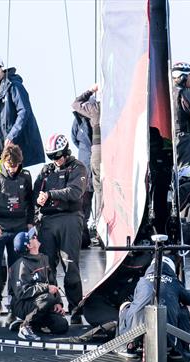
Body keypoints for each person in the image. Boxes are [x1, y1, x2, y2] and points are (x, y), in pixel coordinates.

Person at [32, 133, 87, 324]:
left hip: (70, 219)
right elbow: (35, 193)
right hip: (47, 221)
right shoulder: (46, 171)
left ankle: (76, 309)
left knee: (70, 264)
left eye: (57, 155)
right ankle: (54, 306)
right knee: (48, 266)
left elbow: (75, 192)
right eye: (51, 156)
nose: (55, 160)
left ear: (65, 152)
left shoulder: (77, 167)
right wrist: (38, 202)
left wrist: (49, 194)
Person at [0, 143, 34, 319]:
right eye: (10, 166)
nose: (13, 169)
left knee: (16, 268)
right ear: (4, 162)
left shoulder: (25, 176)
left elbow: (30, 202)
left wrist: (30, 223)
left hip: (18, 227)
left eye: (16, 166)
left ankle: (14, 304)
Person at [118, 256, 190, 359]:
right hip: (167, 331)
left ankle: (127, 345)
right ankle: (179, 349)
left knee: (124, 306)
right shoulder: (175, 283)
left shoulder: (141, 281)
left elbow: (136, 301)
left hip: (137, 330)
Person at [0, 54, 44, 168]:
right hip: (0, 151)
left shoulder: (14, 86)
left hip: (19, 150)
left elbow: (24, 111)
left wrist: (12, 136)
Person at [8, 227, 69, 341]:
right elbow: (21, 292)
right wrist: (46, 289)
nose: (36, 237)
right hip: (22, 304)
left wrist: (58, 303)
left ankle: (30, 322)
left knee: (61, 326)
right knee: (48, 297)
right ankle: (25, 327)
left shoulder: (44, 259)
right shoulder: (21, 265)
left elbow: (52, 283)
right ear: (29, 246)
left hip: (42, 301)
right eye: (33, 237)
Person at [71, 83, 102, 247]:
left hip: (91, 156)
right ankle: (84, 236)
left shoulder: (93, 111)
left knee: (96, 193)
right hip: (85, 159)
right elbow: (74, 138)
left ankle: (98, 231)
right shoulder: (79, 119)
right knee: (85, 198)